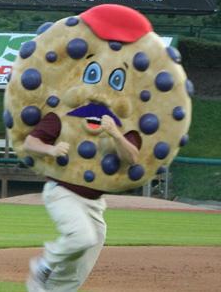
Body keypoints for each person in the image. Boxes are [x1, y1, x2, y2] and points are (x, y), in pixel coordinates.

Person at [24, 114, 141, 292]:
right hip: (62, 191)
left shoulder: (125, 121)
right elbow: (30, 143)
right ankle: (44, 265)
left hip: (95, 202)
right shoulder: (63, 113)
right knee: (82, 237)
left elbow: (132, 158)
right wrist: (51, 149)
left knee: (80, 266)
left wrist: (115, 133)